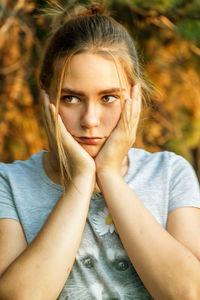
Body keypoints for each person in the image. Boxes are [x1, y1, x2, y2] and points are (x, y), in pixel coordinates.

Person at [0, 1, 200, 299]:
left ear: (135, 99)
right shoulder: (9, 183)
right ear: (46, 100)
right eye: (70, 98)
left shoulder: (170, 173)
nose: (90, 120)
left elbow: (187, 292)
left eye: (108, 98)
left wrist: (109, 175)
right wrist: (82, 180)